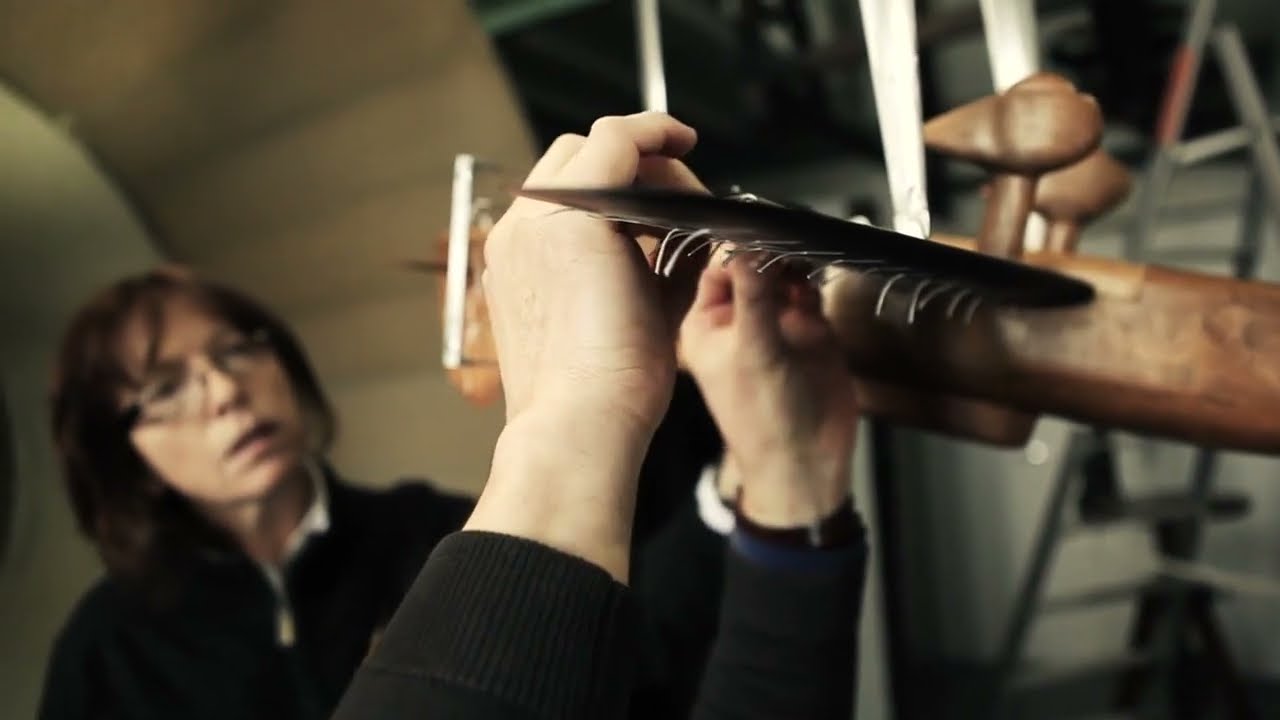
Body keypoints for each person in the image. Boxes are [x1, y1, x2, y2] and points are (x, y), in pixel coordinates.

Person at [329, 110, 870, 719]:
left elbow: (650, 668)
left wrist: (783, 485)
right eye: (190, 378)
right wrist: (571, 417)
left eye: (240, 344)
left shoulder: (409, 521)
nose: (223, 391)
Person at [35, 263, 715, 719]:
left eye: (234, 350)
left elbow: (638, 657)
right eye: (165, 389)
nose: (224, 392)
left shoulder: (433, 538)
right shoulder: (106, 651)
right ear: (129, 458)